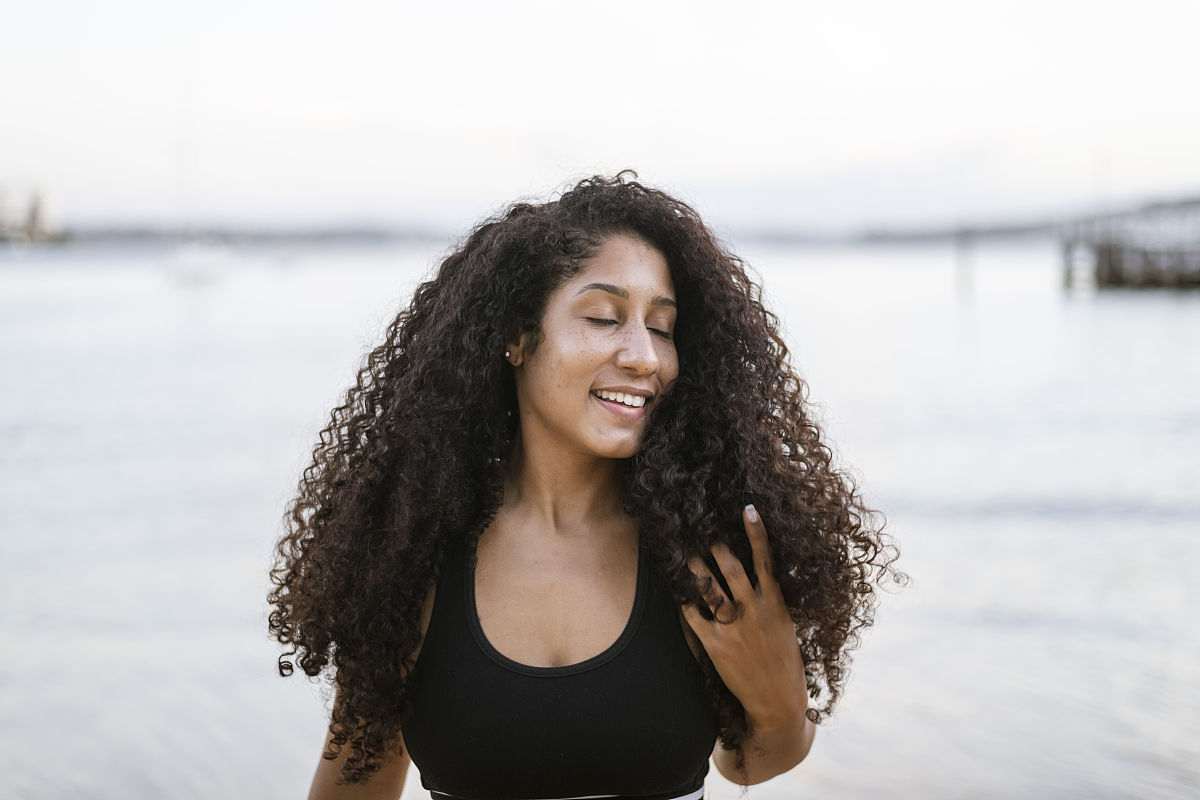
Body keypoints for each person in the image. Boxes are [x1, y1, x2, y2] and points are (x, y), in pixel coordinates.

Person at [267, 172, 905, 799]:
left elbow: (750, 762)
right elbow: (354, 787)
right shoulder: (413, 550)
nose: (644, 357)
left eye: (661, 326)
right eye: (603, 317)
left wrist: (782, 701)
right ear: (516, 336)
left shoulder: (706, 549)